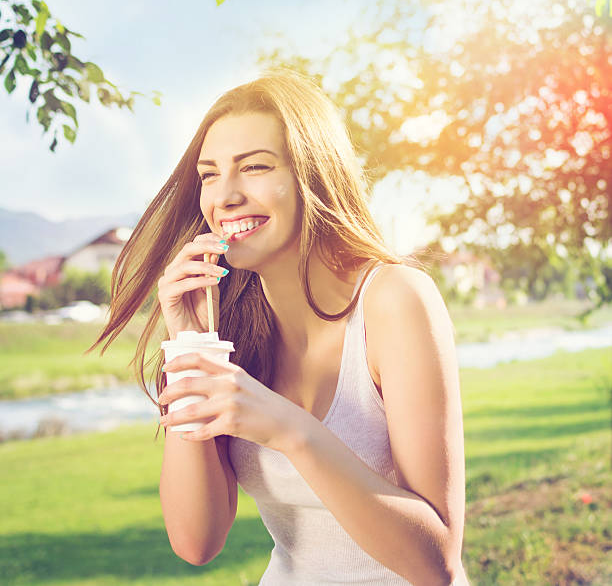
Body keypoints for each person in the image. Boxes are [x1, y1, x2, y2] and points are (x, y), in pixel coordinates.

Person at [90, 68, 470, 585]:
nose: (223, 196)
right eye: (208, 174)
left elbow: (437, 564)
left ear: (314, 176)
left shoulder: (394, 301)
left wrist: (291, 430)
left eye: (254, 167)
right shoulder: (230, 328)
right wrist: (188, 346)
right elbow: (196, 541)